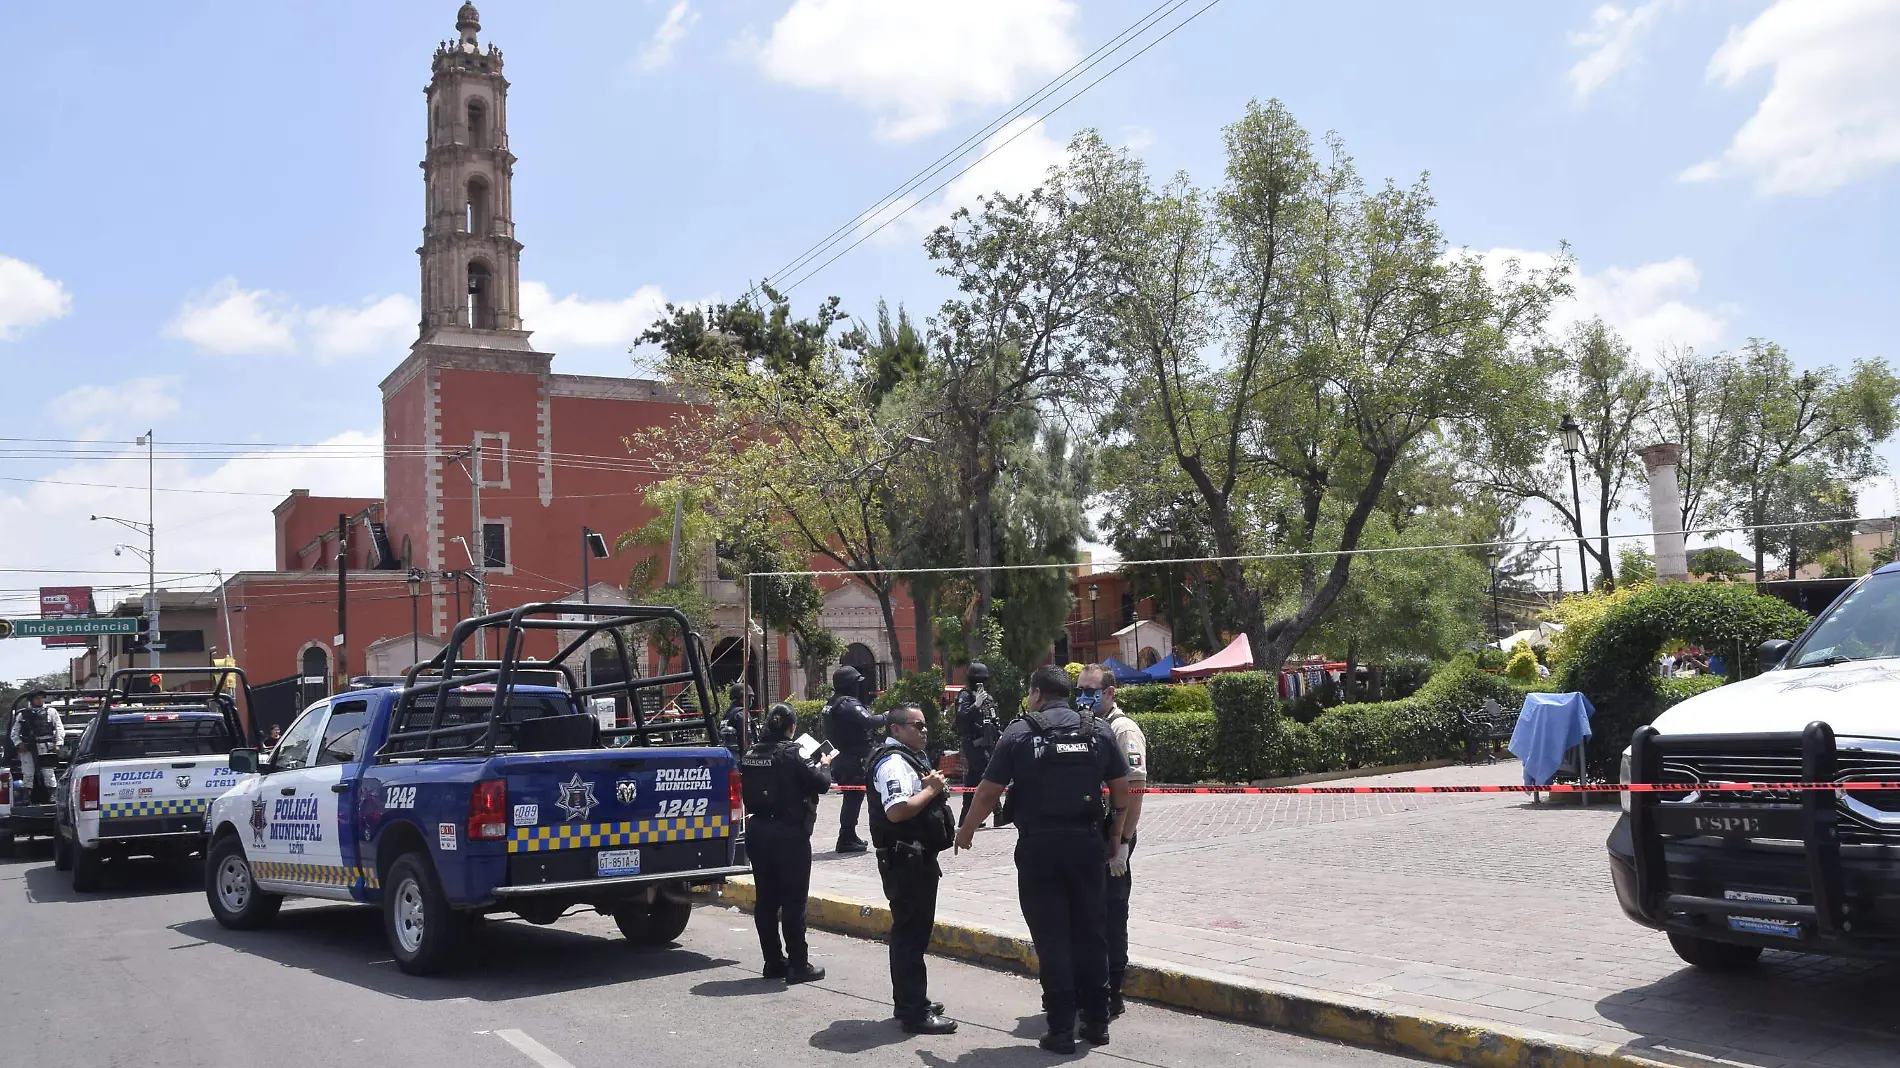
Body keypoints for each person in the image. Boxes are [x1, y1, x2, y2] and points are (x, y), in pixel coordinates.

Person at [957, 664, 1130, 1054]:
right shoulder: (1097, 730)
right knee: (1091, 931)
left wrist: (966, 829)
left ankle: (1060, 1029)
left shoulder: (1019, 732)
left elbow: (988, 790)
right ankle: (1098, 1023)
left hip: (1040, 849)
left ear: (1036, 693)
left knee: (1052, 938)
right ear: (1066, 693)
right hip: (1087, 846)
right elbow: (1122, 788)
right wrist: (1115, 835)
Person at [868, 702, 958, 1035]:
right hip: (905, 859)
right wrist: (931, 789)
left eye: (924, 725)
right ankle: (913, 1012)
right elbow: (897, 810)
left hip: (913, 858)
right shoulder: (893, 763)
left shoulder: (904, 759)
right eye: (916, 726)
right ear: (896, 729)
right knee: (910, 934)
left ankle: (909, 1000)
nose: (924, 731)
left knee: (912, 933)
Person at [739, 702, 834, 983]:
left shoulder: (751, 752)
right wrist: (825, 764)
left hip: (757, 830)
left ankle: (772, 961)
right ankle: (798, 964)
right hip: (788, 833)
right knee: (793, 902)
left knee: (766, 900)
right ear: (791, 727)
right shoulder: (793, 753)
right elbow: (822, 783)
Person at [1077, 664, 1147, 1019]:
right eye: (1080, 689)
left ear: (1109, 692)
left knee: (1112, 917)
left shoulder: (1122, 730)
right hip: (1094, 836)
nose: (1083, 697)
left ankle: (1113, 994)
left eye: (1091, 690)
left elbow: (1134, 790)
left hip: (1114, 836)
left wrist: (1122, 843)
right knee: (1090, 916)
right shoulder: (1091, 727)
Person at [824, 664, 887, 853]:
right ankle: (846, 837)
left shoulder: (832, 703)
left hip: (842, 757)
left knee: (852, 798)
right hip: (853, 759)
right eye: (856, 682)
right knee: (854, 797)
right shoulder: (847, 703)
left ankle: (848, 835)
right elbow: (868, 720)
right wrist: (888, 716)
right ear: (849, 684)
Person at [953, 662, 1002, 825]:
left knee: (972, 782)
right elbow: (961, 718)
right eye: (978, 680)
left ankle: (965, 818)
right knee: (990, 776)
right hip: (973, 742)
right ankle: (999, 814)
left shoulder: (987, 697)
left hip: (987, 742)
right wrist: (976, 705)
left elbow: (993, 719)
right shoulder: (965, 696)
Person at [9, 689, 63, 804]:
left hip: (45, 746)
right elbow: (14, 732)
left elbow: (59, 728)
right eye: (37, 698)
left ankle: (52, 796)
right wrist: (19, 744)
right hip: (28, 747)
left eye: (41, 698)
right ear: (31, 700)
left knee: (48, 773)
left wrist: (58, 744)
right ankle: (27, 797)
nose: (39, 700)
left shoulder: (51, 712)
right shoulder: (23, 714)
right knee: (28, 773)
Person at [722, 683, 750, 755]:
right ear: (742, 698)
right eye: (750, 698)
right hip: (739, 758)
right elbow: (747, 738)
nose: (751, 701)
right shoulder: (741, 714)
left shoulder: (727, 714)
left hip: (727, 755)